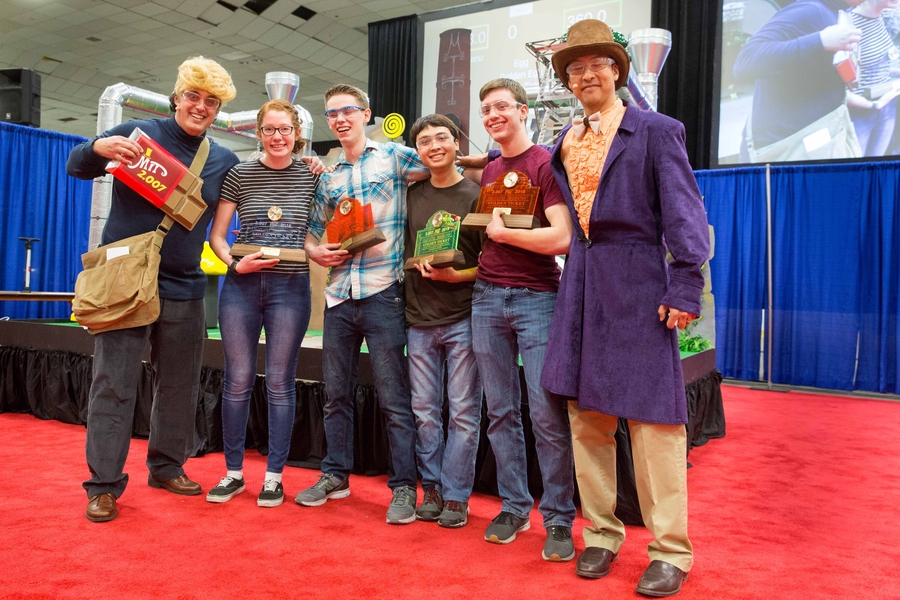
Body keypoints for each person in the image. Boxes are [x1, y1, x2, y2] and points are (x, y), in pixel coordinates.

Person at [539, 20, 710, 597]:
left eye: (597, 64)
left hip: (639, 282)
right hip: (582, 284)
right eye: (575, 68)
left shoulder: (658, 131)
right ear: (567, 80)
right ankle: (603, 535)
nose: (587, 74)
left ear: (617, 71)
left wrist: (686, 283)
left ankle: (670, 549)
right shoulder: (565, 140)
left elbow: (684, 213)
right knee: (587, 418)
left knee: (654, 421)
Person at [67, 56, 240, 522]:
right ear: (176, 97)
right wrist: (101, 147)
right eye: (193, 96)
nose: (200, 107)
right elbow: (76, 165)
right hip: (126, 281)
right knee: (113, 384)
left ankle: (166, 466)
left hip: (184, 288)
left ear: (218, 109)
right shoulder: (137, 133)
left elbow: (259, 186)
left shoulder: (224, 160)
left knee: (180, 385)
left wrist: (307, 163)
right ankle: (102, 485)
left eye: (211, 101)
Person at [296, 84, 429, 524]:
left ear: (366, 114)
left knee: (394, 396)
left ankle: (405, 486)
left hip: (383, 291)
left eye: (348, 111)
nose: (340, 119)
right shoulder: (328, 177)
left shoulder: (396, 155)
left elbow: (441, 166)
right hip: (338, 296)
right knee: (336, 395)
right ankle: (335, 474)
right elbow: (312, 234)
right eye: (332, 113)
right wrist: (315, 252)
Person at [470, 78, 576, 561]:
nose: (493, 116)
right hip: (486, 298)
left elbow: (562, 239)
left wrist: (506, 237)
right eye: (487, 109)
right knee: (500, 413)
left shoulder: (546, 164)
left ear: (524, 110)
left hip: (537, 300)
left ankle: (557, 519)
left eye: (502, 107)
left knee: (546, 414)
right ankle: (514, 506)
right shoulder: (491, 167)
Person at [205, 100, 319, 508]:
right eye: (269, 129)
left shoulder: (311, 175)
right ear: (258, 132)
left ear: (296, 134)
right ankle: (233, 473)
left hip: (290, 289)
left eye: (285, 129)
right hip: (242, 287)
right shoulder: (239, 174)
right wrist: (235, 262)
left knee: (279, 383)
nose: (277, 137)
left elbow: (313, 232)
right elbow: (218, 236)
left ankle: (274, 477)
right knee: (236, 380)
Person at [404, 114, 484, 528]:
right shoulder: (410, 195)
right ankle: (431, 488)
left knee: (465, 413)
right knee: (424, 412)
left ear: (456, 143)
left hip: (463, 318)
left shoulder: (476, 194)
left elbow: (489, 263)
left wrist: (458, 275)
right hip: (418, 319)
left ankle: (456, 496)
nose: (433, 146)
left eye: (441, 138)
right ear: (417, 151)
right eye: (424, 141)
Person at [733, 0, 865, 162]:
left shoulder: (838, 13)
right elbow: (744, 63)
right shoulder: (810, 10)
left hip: (817, 145)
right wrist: (821, 40)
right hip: (783, 155)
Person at [846, 0, 900, 156]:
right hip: (859, 113)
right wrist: (873, 105)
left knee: (875, 167)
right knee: (855, 172)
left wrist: (896, 73)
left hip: (886, 106)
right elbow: (837, 87)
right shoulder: (849, 25)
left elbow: (874, 67)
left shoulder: (879, 18)